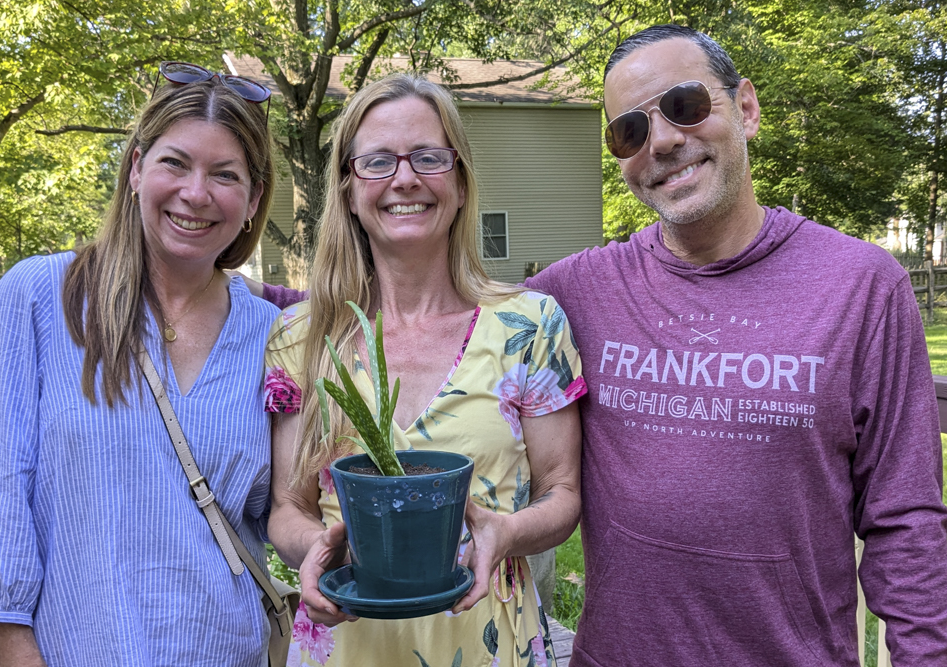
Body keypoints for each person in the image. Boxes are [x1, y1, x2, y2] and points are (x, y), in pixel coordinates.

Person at [524, 23, 947, 667]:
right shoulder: (571, 295)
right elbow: (440, 323)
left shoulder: (862, 287)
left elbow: (906, 520)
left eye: (685, 105)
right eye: (629, 132)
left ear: (745, 108)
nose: (662, 141)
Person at [0, 63, 280, 666]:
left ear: (254, 200)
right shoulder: (42, 298)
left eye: (225, 175)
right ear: (135, 169)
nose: (196, 192)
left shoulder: (272, 337)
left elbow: (287, 511)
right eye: (174, 162)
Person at [263, 73, 586, 667]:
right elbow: (289, 506)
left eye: (429, 157)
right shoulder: (301, 338)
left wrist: (507, 533)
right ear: (349, 190)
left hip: (488, 638)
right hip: (347, 641)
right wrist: (318, 549)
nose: (404, 178)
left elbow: (562, 493)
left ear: (460, 183)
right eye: (378, 161)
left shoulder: (530, 326)